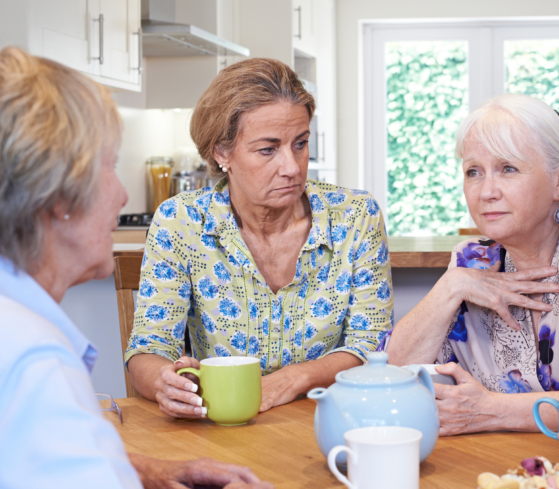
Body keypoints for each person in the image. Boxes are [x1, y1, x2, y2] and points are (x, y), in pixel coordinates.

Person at [0, 47, 271, 488]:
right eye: (109, 167)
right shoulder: (35, 364)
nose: (124, 195)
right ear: (58, 197)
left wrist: (148, 471)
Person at [383, 93, 559, 436]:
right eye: (473, 172)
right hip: (494, 461)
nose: (486, 192)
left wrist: (490, 410)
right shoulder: (471, 260)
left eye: (508, 168)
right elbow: (391, 380)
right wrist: (452, 285)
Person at [125, 58, 392, 418]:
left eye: (300, 144)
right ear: (222, 152)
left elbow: (372, 345)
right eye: (268, 150)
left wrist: (294, 378)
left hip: (328, 422)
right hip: (223, 427)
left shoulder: (355, 215)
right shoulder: (180, 222)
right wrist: (165, 381)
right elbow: (149, 347)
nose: (292, 167)